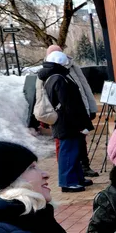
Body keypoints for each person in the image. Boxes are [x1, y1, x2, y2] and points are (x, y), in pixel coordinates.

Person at [38, 51, 95, 192]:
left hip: (65, 122)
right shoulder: (59, 78)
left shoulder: (53, 77)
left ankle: (76, 178)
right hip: (67, 123)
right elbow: (69, 104)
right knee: (68, 153)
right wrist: (81, 124)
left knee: (72, 152)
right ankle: (68, 182)